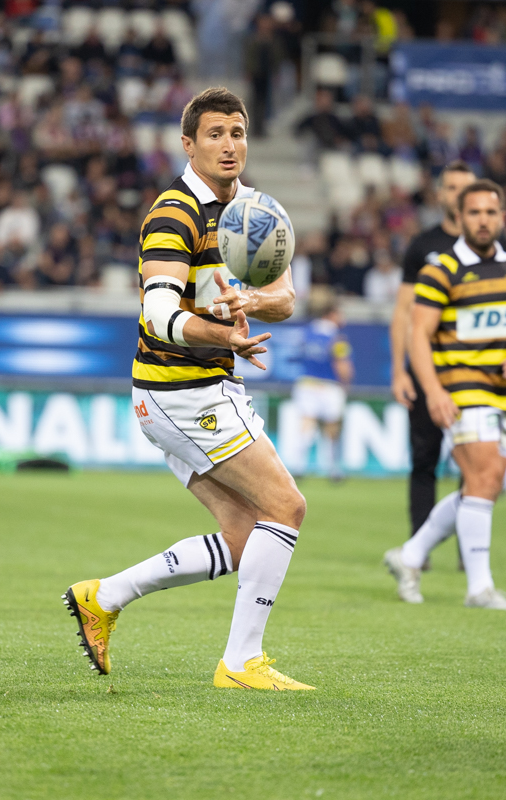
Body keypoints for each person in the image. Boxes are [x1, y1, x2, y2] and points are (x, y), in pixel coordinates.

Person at [62, 88, 313, 691]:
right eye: (216, 134)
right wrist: (225, 336)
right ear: (188, 144)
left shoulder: (253, 209)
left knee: (244, 535)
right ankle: (241, 662)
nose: (230, 145)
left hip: (185, 392)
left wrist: (250, 299)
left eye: (238, 133)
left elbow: (285, 297)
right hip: (184, 391)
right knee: (287, 508)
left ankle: (104, 596)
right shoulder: (173, 213)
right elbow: (158, 314)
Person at [384, 180, 506, 610]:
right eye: (474, 212)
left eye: (491, 213)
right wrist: (433, 390)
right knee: (483, 479)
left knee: (486, 483)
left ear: (503, 217)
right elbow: (419, 335)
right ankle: (479, 588)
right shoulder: (441, 270)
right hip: (461, 387)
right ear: (460, 217)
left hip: (504, 392)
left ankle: (410, 555)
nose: (483, 220)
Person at [389, 162, 506, 541]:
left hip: (479, 378)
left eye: (466, 187)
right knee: (424, 461)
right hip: (430, 372)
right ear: (444, 196)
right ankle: (418, 546)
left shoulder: (500, 249)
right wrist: (399, 370)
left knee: (479, 468)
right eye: (452, 188)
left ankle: (468, 550)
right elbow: (404, 312)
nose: (459, 195)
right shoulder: (422, 246)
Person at [290, 300, 354, 480]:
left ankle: (298, 466)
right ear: (331, 315)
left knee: (306, 424)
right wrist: (346, 383)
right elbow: (343, 365)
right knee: (332, 427)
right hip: (329, 386)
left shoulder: (306, 333)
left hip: (306, 383)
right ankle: (333, 468)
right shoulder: (337, 338)